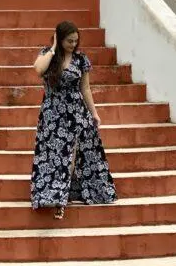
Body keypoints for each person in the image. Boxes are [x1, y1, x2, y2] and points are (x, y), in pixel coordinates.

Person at [30, 20, 117, 220]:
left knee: (70, 155)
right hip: (52, 114)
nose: (73, 45)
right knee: (53, 155)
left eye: (76, 41)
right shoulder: (48, 55)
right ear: (59, 39)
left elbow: (85, 88)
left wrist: (94, 113)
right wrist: (52, 48)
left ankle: (61, 200)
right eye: (69, 41)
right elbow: (37, 70)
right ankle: (53, 194)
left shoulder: (81, 60)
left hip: (76, 113)